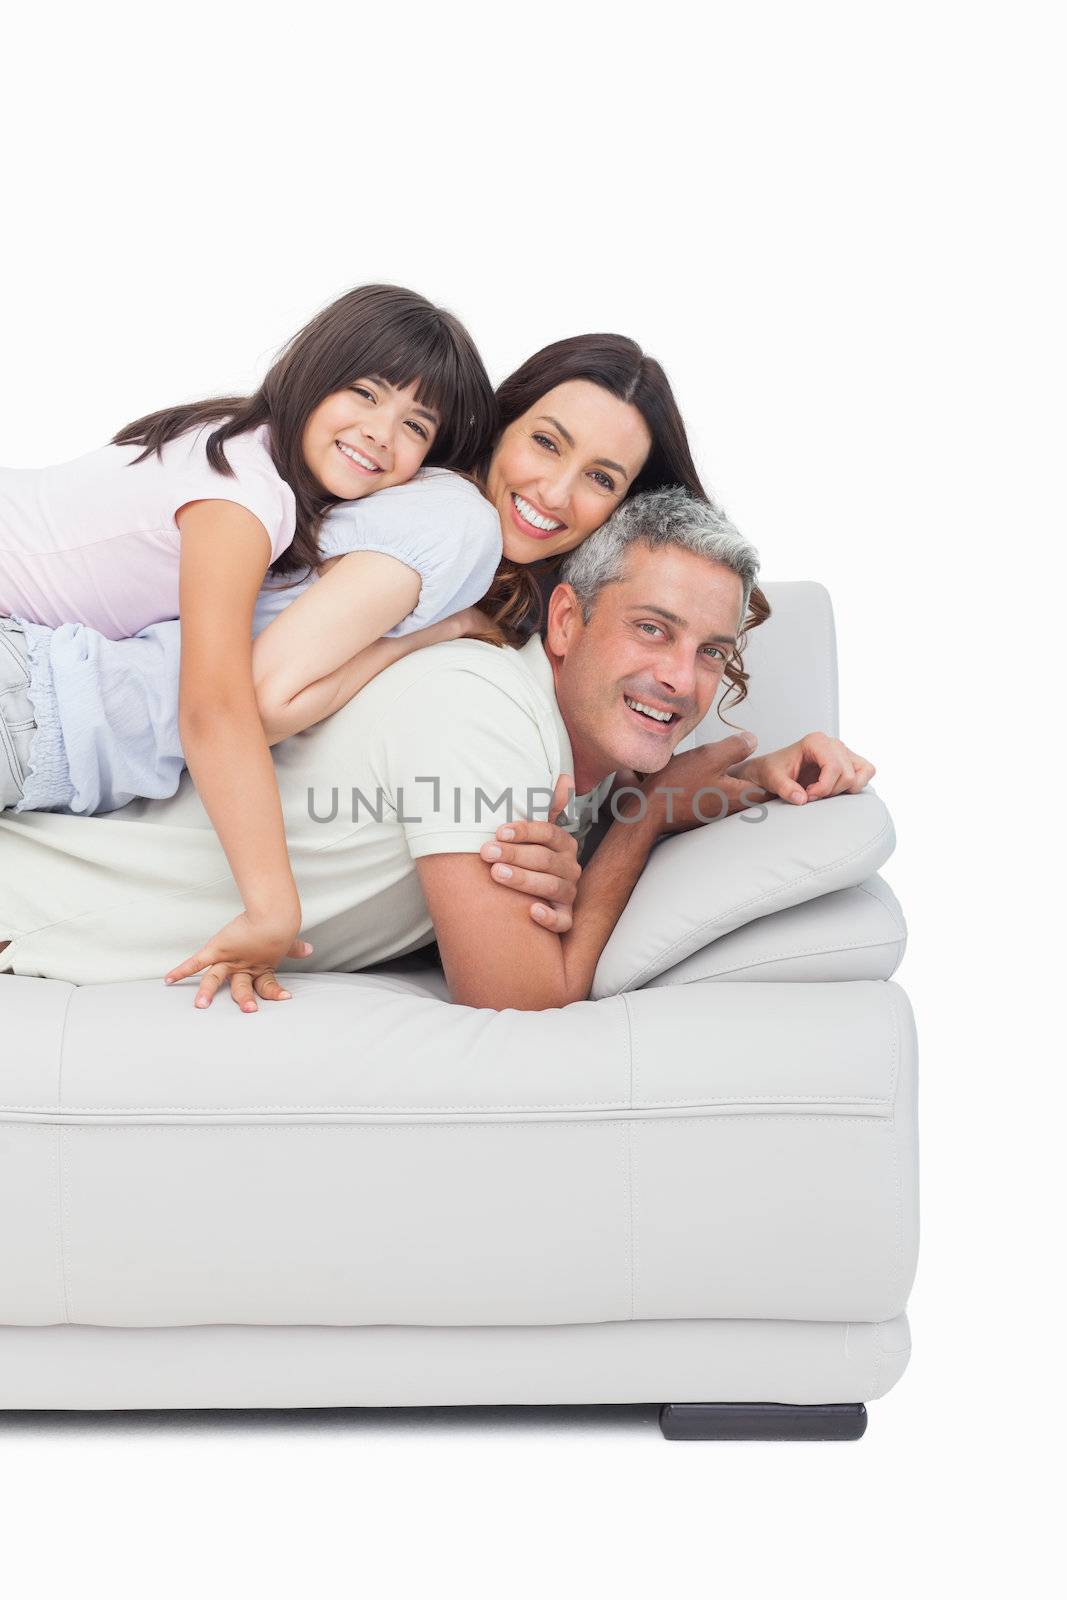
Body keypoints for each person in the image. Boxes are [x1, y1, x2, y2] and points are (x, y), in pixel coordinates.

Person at [1, 331, 772, 1009]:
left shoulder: (490, 592)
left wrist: (701, 791)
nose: (555, 492)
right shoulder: (453, 524)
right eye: (544, 443)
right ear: (496, 432)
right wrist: (430, 637)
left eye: (602, 478)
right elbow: (265, 698)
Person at [0, 489, 873, 1010]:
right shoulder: (478, 706)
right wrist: (644, 822)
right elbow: (522, 998)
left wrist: (755, 777)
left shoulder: (566, 742)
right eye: (652, 630)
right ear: (565, 621)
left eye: (711, 652)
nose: (682, 680)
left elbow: (623, 794)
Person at [0, 284, 498, 1001]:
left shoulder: (248, 460)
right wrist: (273, 907)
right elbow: (216, 707)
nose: (380, 434)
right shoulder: (242, 494)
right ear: (311, 372)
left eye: (415, 426)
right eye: (364, 393)